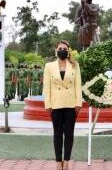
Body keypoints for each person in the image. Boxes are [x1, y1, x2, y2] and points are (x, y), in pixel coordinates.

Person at [44, 40, 82, 170]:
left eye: (64, 48)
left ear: (68, 51)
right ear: (56, 51)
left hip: (71, 104)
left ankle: (66, 161)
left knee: (69, 133)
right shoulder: (49, 66)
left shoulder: (74, 65)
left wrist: (78, 103)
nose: (62, 50)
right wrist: (48, 104)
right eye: (60, 48)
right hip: (55, 104)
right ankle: (57, 161)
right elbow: (46, 87)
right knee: (57, 133)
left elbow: (78, 85)